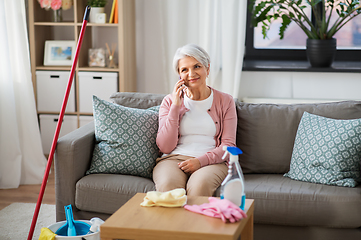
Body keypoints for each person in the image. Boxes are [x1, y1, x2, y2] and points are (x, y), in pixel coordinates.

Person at [153, 43, 237, 196]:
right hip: (174, 160)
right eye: (184, 70)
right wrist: (176, 106)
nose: (191, 73)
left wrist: (200, 161)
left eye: (197, 66)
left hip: (211, 162)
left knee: (200, 187)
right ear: (179, 75)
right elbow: (165, 147)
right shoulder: (169, 101)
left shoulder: (225, 101)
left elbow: (228, 146)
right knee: (169, 188)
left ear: (207, 69)